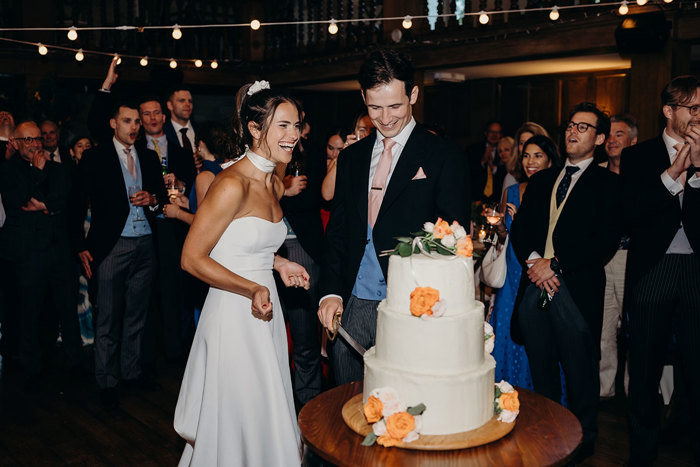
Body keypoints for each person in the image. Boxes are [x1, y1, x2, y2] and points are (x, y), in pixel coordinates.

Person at [174, 83, 310, 466]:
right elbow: (192, 258)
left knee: (268, 403)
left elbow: (246, 246)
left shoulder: (273, 181)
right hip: (235, 312)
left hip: (265, 306)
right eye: (282, 126)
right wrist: (251, 286)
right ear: (254, 128)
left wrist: (279, 263)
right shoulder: (231, 184)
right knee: (238, 412)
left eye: (296, 125)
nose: (293, 135)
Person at [318, 49, 469, 385]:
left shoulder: (444, 157)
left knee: (403, 399)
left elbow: (454, 240)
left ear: (413, 94)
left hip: (411, 305)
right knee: (348, 407)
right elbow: (339, 231)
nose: (385, 118)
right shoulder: (352, 158)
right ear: (363, 98)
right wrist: (331, 292)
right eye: (375, 108)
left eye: (395, 106)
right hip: (353, 303)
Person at [510, 102, 621, 463]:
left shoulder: (607, 184)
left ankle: (583, 442)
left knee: (579, 371)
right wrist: (534, 263)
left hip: (573, 288)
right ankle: (548, 433)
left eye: (583, 128)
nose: (572, 132)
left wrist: (554, 265)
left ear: (600, 138)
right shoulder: (542, 180)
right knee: (541, 363)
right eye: (571, 126)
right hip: (538, 290)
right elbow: (522, 230)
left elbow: (603, 240)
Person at [622, 76, 700, 466]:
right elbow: (631, 215)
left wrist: (699, 173)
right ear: (669, 111)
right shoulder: (639, 156)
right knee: (646, 367)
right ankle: (642, 454)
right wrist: (672, 176)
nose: (699, 116)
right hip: (653, 269)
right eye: (693, 108)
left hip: (696, 271)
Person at [72, 99, 167, 407]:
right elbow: (76, 203)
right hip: (112, 245)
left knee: (137, 315)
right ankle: (107, 382)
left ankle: (131, 372)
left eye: (137, 121)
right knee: (108, 316)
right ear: (114, 124)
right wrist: (80, 246)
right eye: (128, 121)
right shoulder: (94, 157)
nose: (134, 127)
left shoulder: (149, 157)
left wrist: (151, 197)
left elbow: (161, 198)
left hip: (145, 244)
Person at [0, 121, 82, 389]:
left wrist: (45, 205)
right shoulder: (8, 170)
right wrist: (37, 173)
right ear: (16, 142)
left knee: (67, 309)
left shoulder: (57, 169)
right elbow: (19, 201)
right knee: (29, 312)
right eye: (28, 140)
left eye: (37, 139)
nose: (35, 144)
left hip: (58, 250)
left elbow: (64, 200)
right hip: (28, 253)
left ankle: (76, 363)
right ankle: (31, 368)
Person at [490, 135, 560, 391]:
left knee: (538, 331)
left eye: (538, 156)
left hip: (538, 272)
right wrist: (500, 228)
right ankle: (506, 391)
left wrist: (521, 223)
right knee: (508, 328)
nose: (530, 162)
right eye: (527, 155)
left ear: (550, 160)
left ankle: (538, 396)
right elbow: (505, 235)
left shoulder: (554, 191)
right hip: (511, 270)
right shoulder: (511, 190)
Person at [599, 114, 638, 399]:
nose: (612, 139)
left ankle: (634, 389)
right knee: (603, 330)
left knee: (636, 329)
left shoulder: (643, 173)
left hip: (632, 257)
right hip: (600, 259)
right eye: (609, 134)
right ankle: (604, 390)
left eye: (620, 134)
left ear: (633, 141)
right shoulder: (595, 174)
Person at [466, 120, 504, 203]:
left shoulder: (504, 150)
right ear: (486, 133)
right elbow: (468, 173)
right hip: (475, 199)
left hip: (496, 200)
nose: (494, 135)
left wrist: (494, 168)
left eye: (497, 132)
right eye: (491, 132)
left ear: (501, 135)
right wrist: (483, 161)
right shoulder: (473, 149)